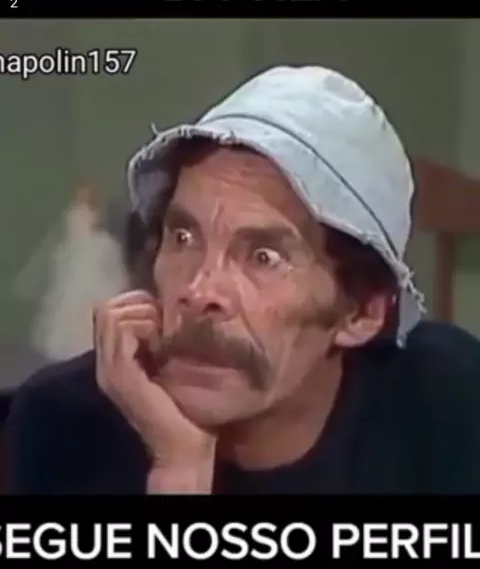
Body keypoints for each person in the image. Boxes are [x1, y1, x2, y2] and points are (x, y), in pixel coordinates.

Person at [7, 65, 480, 494]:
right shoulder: (61, 422)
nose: (199, 291)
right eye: (183, 237)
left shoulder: (451, 401)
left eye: (264, 257)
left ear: (361, 313)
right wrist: (179, 470)